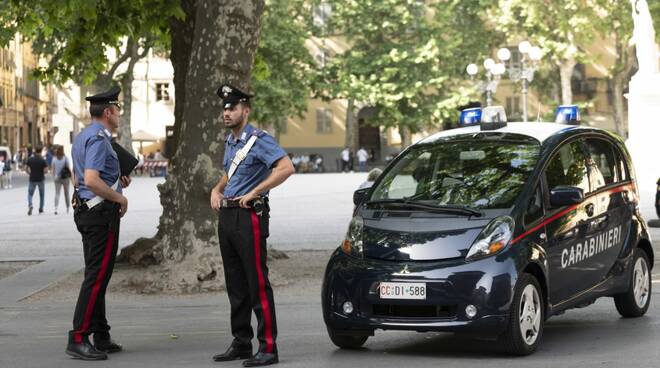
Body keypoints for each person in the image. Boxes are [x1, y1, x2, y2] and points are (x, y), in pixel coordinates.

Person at [210, 84, 294, 367]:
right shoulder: (231, 141)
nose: (226, 112)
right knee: (235, 283)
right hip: (228, 214)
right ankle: (242, 342)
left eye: (232, 107)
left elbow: (285, 167)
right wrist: (216, 189)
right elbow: (229, 173)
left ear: (245, 110)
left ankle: (268, 346)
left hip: (249, 216)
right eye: (224, 108)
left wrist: (257, 191)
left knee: (257, 282)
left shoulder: (259, 139)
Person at [66, 86, 131, 361]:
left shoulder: (83, 136)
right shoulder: (100, 139)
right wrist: (120, 198)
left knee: (97, 275)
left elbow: (78, 176)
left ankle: (101, 334)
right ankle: (79, 337)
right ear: (108, 112)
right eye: (117, 110)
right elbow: (91, 179)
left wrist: (116, 180)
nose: (118, 115)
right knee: (96, 277)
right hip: (100, 215)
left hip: (87, 211)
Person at [25, 147, 48, 215]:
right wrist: (42, 172)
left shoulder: (30, 159)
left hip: (32, 179)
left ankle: (30, 204)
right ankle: (40, 209)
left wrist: (29, 173)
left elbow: (26, 168)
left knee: (30, 194)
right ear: (40, 152)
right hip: (41, 179)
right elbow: (46, 170)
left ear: (35, 151)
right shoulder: (42, 160)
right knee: (41, 195)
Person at [52, 145, 73, 214]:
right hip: (65, 178)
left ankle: (56, 209)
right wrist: (71, 177)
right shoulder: (65, 158)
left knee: (57, 193)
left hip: (57, 178)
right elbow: (68, 168)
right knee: (66, 193)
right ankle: (67, 208)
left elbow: (53, 169)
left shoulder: (54, 159)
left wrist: (54, 176)